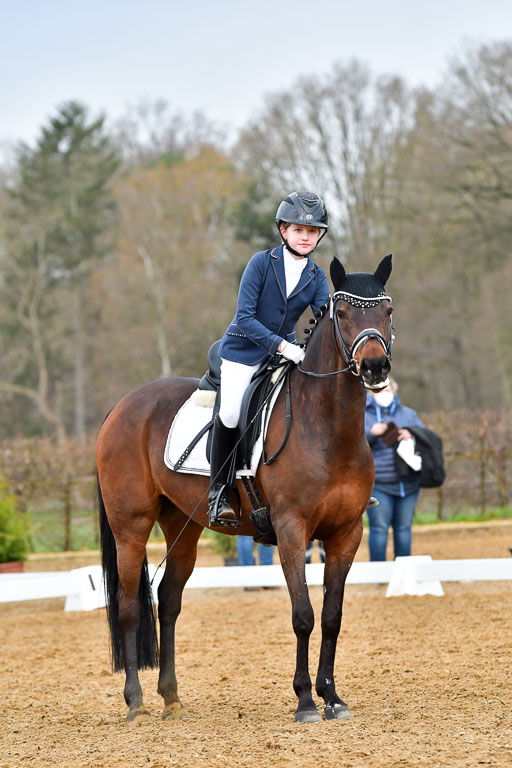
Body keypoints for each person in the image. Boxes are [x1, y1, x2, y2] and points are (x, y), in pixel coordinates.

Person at [208, 191, 330, 525]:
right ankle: (218, 491)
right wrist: (283, 346)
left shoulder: (317, 277)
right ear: (283, 231)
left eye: (312, 231)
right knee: (231, 412)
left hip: (284, 355)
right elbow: (245, 317)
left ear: (319, 235)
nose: (305, 237)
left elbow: (323, 319)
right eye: (298, 230)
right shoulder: (261, 263)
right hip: (243, 351)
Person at [365, 378, 425, 561]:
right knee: (379, 528)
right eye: (379, 390)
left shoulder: (409, 414)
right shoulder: (362, 414)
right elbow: (348, 446)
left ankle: (403, 574)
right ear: (370, 393)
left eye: (388, 389)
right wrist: (370, 433)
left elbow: (425, 438)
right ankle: (378, 573)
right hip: (378, 484)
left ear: (395, 391)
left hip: (408, 483)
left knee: (404, 528)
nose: (384, 393)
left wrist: (412, 434)